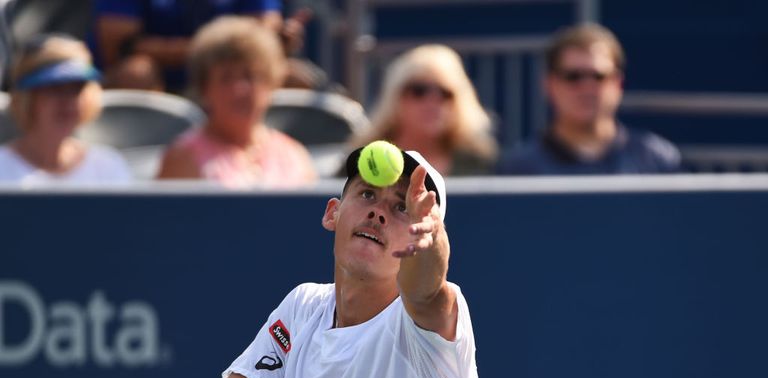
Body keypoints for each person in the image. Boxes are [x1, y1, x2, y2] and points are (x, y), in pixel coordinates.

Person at [192, 148, 479, 378]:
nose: (378, 213)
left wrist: (431, 240)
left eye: (402, 208)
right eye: (368, 194)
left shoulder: (433, 321)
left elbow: (426, 292)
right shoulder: (301, 309)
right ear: (333, 213)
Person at [497, 23, 681, 175]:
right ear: (549, 85)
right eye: (573, 76)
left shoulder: (658, 161)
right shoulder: (519, 170)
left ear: (618, 84)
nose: (587, 87)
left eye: (598, 76)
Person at [155, 16, 316, 188]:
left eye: (250, 76)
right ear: (204, 88)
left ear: (271, 82)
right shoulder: (183, 157)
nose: (240, 89)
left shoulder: (294, 154)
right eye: (226, 78)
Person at [93, 0, 312, 93]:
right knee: (136, 72)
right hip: (159, 82)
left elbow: (262, 32)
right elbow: (120, 46)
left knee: (294, 78)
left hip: (229, 74)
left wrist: (275, 41)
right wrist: (216, 49)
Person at [0, 33, 132, 184]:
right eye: (54, 89)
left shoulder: (109, 166)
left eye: (77, 89)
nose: (68, 102)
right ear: (27, 97)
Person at [350, 44, 498, 176]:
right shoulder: (362, 161)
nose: (433, 102)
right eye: (419, 90)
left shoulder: (477, 163)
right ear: (395, 97)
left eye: (445, 93)